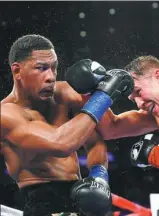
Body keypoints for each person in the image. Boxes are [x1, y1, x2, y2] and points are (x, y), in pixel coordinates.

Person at [0, 34, 134, 216]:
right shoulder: (5, 114)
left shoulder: (64, 95)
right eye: (41, 68)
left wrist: (99, 176)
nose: (51, 77)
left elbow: (96, 139)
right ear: (17, 71)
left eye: (54, 68)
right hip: (43, 204)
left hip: (83, 199)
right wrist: (103, 96)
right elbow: (60, 144)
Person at [68, 55, 159, 211]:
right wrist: (95, 92)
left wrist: (153, 155)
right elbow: (111, 129)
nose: (139, 103)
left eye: (139, 92)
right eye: (134, 100)